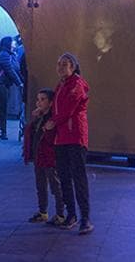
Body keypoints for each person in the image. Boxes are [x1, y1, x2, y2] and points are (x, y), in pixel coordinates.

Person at [48, 52, 92, 234]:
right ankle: (71, 214)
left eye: (64, 64)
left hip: (75, 136)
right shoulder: (61, 85)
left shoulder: (77, 84)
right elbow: (57, 107)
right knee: (64, 177)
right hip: (62, 137)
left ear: (73, 67)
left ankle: (85, 219)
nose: (60, 67)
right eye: (59, 64)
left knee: (78, 177)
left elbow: (68, 108)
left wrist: (53, 122)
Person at [23, 88, 65, 224]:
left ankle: (60, 214)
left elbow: (51, 137)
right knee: (40, 185)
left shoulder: (52, 119)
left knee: (55, 186)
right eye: (38, 99)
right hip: (38, 156)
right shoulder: (40, 117)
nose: (39, 102)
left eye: (43, 99)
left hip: (49, 157)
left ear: (51, 102)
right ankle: (43, 212)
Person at [0, 36, 24, 139]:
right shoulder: (4, 55)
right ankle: (3, 132)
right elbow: (9, 70)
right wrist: (19, 83)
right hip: (0, 85)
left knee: (0, 108)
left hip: (6, 85)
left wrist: (22, 80)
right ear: (8, 44)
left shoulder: (12, 54)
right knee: (3, 108)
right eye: (13, 42)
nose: (14, 44)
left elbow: (16, 70)